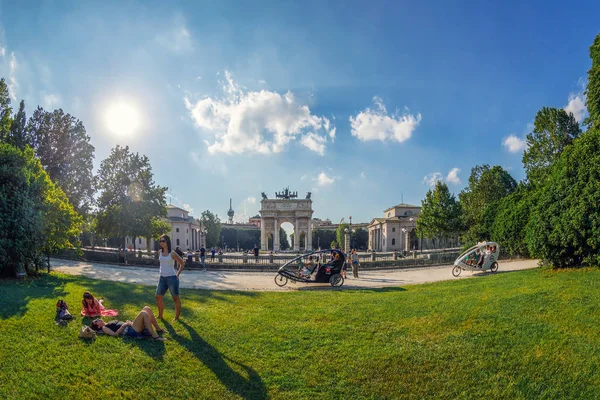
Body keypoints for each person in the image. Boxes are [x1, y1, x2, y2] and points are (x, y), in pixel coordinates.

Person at [90, 306, 166, 341]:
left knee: (147, 308)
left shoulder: (107, 323)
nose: (97, 319)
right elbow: (114, 334)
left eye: (96, 319)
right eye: (96, 321)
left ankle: (158, 329)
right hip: (131, 330)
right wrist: (124, 325)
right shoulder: (104, 328)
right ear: (98, 326)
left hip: (131, 326)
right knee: (143, 313)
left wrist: (127, 322)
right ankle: (155, 336)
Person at [156, 234, 185, 321]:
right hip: (162, 278)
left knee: (175, 298)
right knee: (158, 297)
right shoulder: (159, 252)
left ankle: (176, 318)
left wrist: (177, 274)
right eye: (160, 241)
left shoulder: (172, 253)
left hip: (172, 278)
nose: (161, 242)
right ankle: (160, 315)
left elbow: (182, 263)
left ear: (167, 242)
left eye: (163, 241)